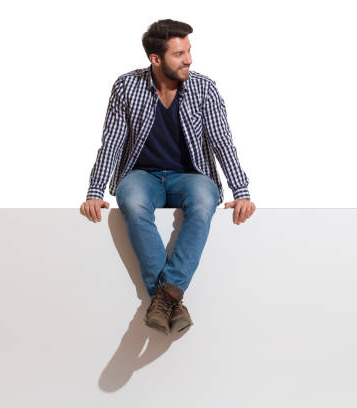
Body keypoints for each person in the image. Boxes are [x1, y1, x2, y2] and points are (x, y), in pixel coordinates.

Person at [79, 19, 256, 335]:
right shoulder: (126, 87)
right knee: (132, 202)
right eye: (179, 54)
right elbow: (114, 140)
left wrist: (240, 190)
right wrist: (95, 191)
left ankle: (166, 297)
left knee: (205, 199)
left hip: (190, 176)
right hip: (142, 176)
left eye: (188, 51)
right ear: (155, 59)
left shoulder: (204, 88)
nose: (188, 59)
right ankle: (171, 299)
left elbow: (221, 141)